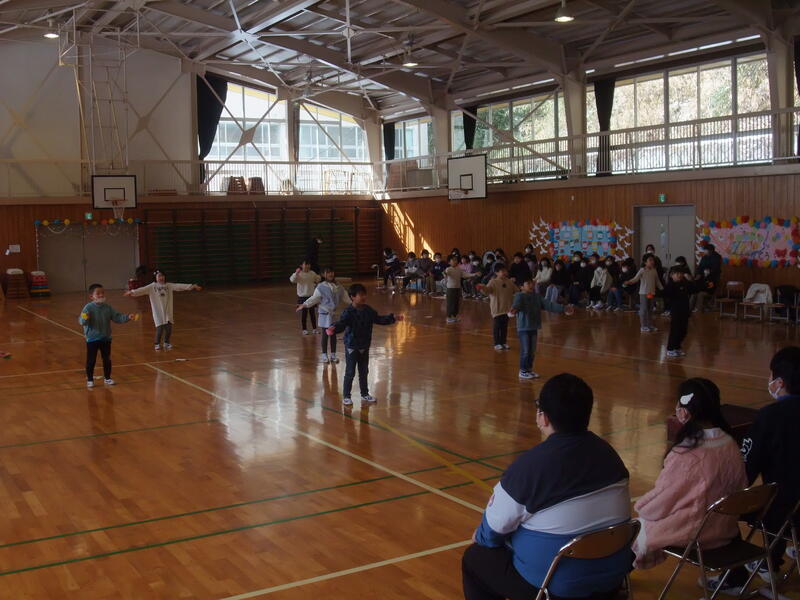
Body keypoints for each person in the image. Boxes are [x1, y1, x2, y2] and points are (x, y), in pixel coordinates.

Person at [462, 373, 632, 600]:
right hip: (611, 580)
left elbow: (492, 531)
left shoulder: (530, 468)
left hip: (556, 588)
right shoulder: (611, 456)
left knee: (475, 559)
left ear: (543, 417)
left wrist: (482, 537)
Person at [709, 346, 800, 592]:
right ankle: (774, 557)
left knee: (728, 502)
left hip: (783, 508)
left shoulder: (771, 416)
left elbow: (745, 470)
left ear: (779, 382)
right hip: (793, 506)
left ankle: (735, 575)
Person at [633, 378, 747, 570]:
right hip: (726, 527)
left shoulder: (686, 454)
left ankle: (615, 583)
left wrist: (641, 508)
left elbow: (662, 502)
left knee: (631, 530)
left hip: (698, 531)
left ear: (684, 411)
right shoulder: (730, 443)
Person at [326, 283, 403, 406]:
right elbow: (342, 324)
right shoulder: (348, 312)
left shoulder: (368, 310)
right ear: (352, 297)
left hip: (364, 345)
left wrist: (392, 318)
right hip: (352, 346)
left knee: (364, 371)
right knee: (350, 372)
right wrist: (333, 328)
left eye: (364, 294)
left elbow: (379, 319)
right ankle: (346, 396)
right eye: (360, 295)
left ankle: (365, 394)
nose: (363, 297)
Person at [511, 279, 574, 380]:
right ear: (521, 287)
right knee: (526, 350)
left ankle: (529, 370)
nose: (531, 285)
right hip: (523, 328)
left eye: (532, 283)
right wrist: (513, 310)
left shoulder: (537, 297)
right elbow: (516, 305)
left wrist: (563, 308)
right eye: (528, 283)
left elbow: (549, 305)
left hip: (534, 326)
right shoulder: (519, 296)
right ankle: (523, 371)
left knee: (532, 351)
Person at [124, 270, 202, 350]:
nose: (161, 278)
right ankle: (157, 343)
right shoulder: (152, 286)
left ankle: (166, 343)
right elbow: (142, 290)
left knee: (168, 328)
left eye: (162, 276)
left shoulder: (169, 285)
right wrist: (132, 292)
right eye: (159, 276)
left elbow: (179, 286)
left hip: (168, 311)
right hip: (157, 311)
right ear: (155, 277)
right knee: (160, 328)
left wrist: (192, 286)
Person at [79, 283, 136, 388]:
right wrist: (85, 318)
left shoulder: (107, 307)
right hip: (92, 339)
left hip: (105, 338)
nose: (101, 295)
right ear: (91, 296)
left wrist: (128, 317)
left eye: (102, 293)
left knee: (107, 359)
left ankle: (107, 378)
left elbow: (117, 317)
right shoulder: (88, 308)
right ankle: (90, 379)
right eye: (98, 293)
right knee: (91, 360)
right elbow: (82, 321)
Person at [298, 267, 348, 364]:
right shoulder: (321, 287)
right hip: (324, 313)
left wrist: (354, 303)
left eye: (332, 272)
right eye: (328, 273)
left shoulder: (339, 286)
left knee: (333, 334)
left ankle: (333, 355)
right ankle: (324, 355)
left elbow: (345, 297)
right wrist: (305, 304)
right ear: (323, 275)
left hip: (333, 314)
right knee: (325, 334)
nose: (330, 274)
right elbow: (314, 298)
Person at [477, 265, 515, 351]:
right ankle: (497, 343)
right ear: (497, 273)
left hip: (507, 308)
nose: (504, 273)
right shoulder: (493, 282)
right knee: (497, 326)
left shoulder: (509, 282)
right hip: (497, 308)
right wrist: (482, 287)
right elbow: (487, 291)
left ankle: (503, 342)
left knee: (504, 327)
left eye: (505, 271)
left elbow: (516, 291)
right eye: (502, 271)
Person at [624, 254, 663, 332]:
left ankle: (650, 325)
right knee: (644, 309)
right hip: (643, 293)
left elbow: (657, 281)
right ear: (645, 262)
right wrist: (629, 282)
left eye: (652, 260)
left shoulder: (654, 270)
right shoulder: (642, 270)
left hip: (651, 293)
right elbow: (635, 279)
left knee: (650, 309)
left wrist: (662, 289)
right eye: (650, 260)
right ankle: (643, 326)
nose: (652, 261)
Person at [662, 266, 695, 358]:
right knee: (675, 330)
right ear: (672, 275)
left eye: (681, 273)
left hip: (685, 310)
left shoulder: (685, 283)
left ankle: (677, 347)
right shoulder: (670, 285)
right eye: (677, 273)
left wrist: (690, 280)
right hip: (676, 311)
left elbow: (693, 289)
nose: (679, 275)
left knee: (683, 330)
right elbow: (665, 294)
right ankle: (670, 349)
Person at [290, 260, 321, 335]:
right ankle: (304, 329)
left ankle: (314, 329)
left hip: (311, 297)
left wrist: (319, 276)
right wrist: (296, 273)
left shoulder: (312, 273)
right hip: (302, 297)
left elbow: (318, 279)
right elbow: (292, 280)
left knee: (312, 314)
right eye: (305, 264)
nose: (307, 266)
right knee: (304, 314)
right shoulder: (299, 274)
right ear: (301, 265)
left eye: (308, 264)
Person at [445, 255, 477, 323]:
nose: (455, 261)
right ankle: (449, 317)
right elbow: (446, 273)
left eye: (456, 260)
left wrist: (474, 274)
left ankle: (454, 316)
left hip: (457, 288)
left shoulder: (459, 269)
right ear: (449, 262)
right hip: (450, 289)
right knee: (451, 303)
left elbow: (465, 274)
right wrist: (445, 274)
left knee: (456, 303)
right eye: (453, 260)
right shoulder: (449, 269)